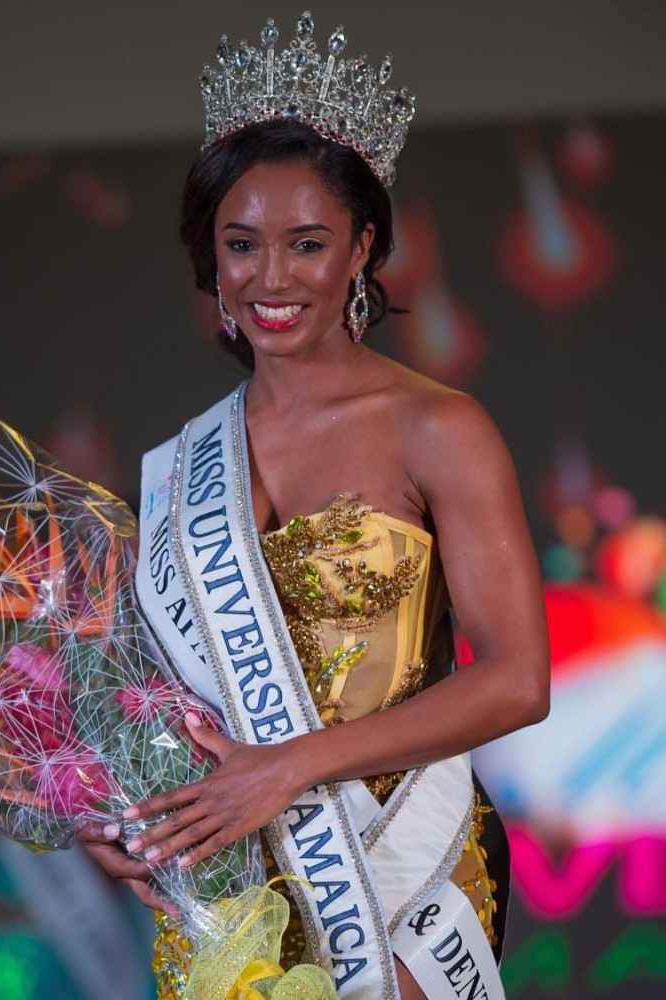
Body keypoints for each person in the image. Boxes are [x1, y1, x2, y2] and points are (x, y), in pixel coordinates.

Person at [79, 12, 550, 999]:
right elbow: (149, 695)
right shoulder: (182, 466)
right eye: (241, 245)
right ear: (211, 259)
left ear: (361, 247)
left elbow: (517, 682)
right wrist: (114, 810)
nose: (271, 278)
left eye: (306, 243)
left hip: (400, 864)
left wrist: (285, 766)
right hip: (235, 891)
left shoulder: (437, 427)